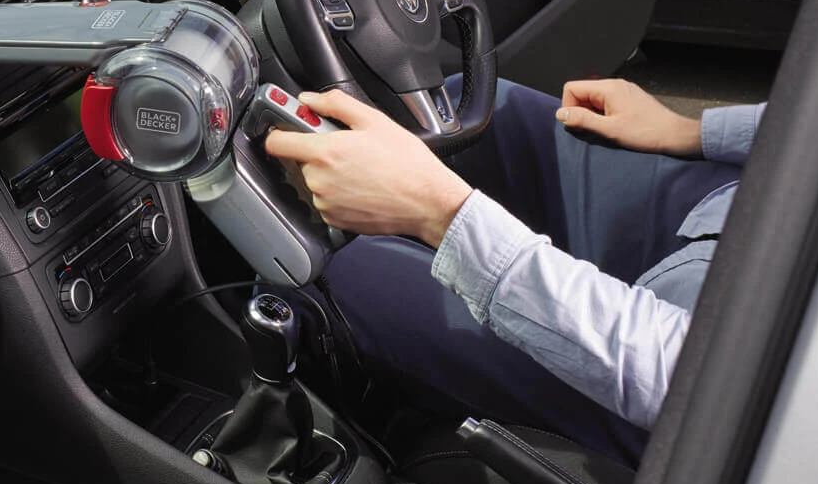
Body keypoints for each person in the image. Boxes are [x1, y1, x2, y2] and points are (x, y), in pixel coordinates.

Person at [263, 77, 764, 464]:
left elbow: (698, 374)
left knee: (327, 274)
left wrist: (442, 213)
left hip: (701, 398)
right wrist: (695, 132)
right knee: (465, 112)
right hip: (741, 212)